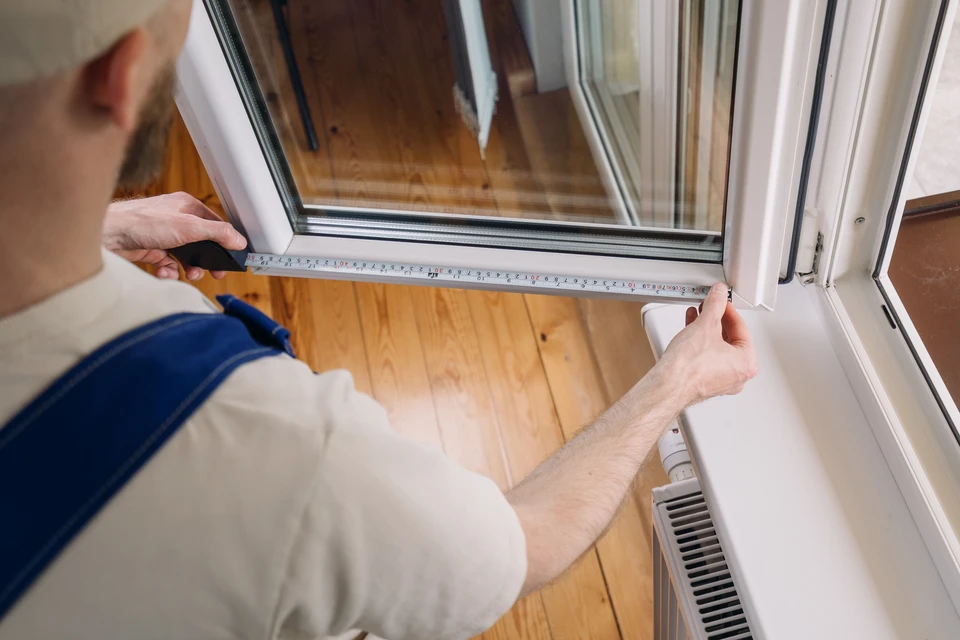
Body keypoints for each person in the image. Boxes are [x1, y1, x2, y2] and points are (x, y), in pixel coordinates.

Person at [0, 1, 758, 638]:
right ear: (123, 76)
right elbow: (527, 542)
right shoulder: (277, 449)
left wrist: (106, 224)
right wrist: (676, 381)